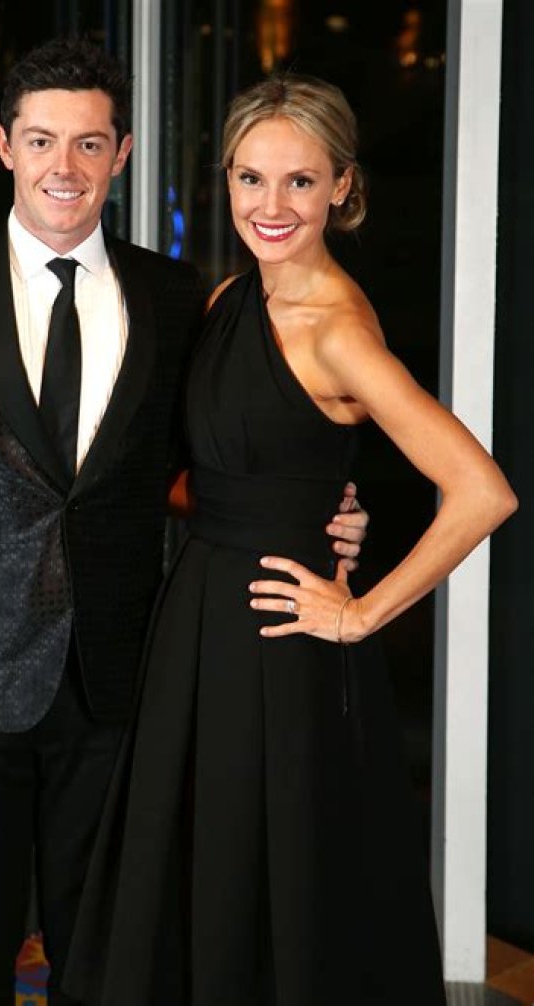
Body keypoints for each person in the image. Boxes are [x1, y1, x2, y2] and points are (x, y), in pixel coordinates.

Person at [0, 42, 368, 1006]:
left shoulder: (177, 297)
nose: (65, 166)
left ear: (121, 154)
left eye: (89, 143)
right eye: (42, 140)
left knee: (109, 957)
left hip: (124, 681)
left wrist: (315, 512)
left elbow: (203, 464)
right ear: (5, 146)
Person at [61, 74, 517, 1006]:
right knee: (201, 870)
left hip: (280, 644)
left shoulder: (339, 331)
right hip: (197, 621)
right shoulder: (233, 297)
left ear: (342, 186)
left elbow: (483, 492)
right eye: (251, 178)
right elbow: (209, 479)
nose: (271, 205)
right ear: (227, 180)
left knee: (273, 881)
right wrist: (314, 509)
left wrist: (360, 615)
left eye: (300, 181)